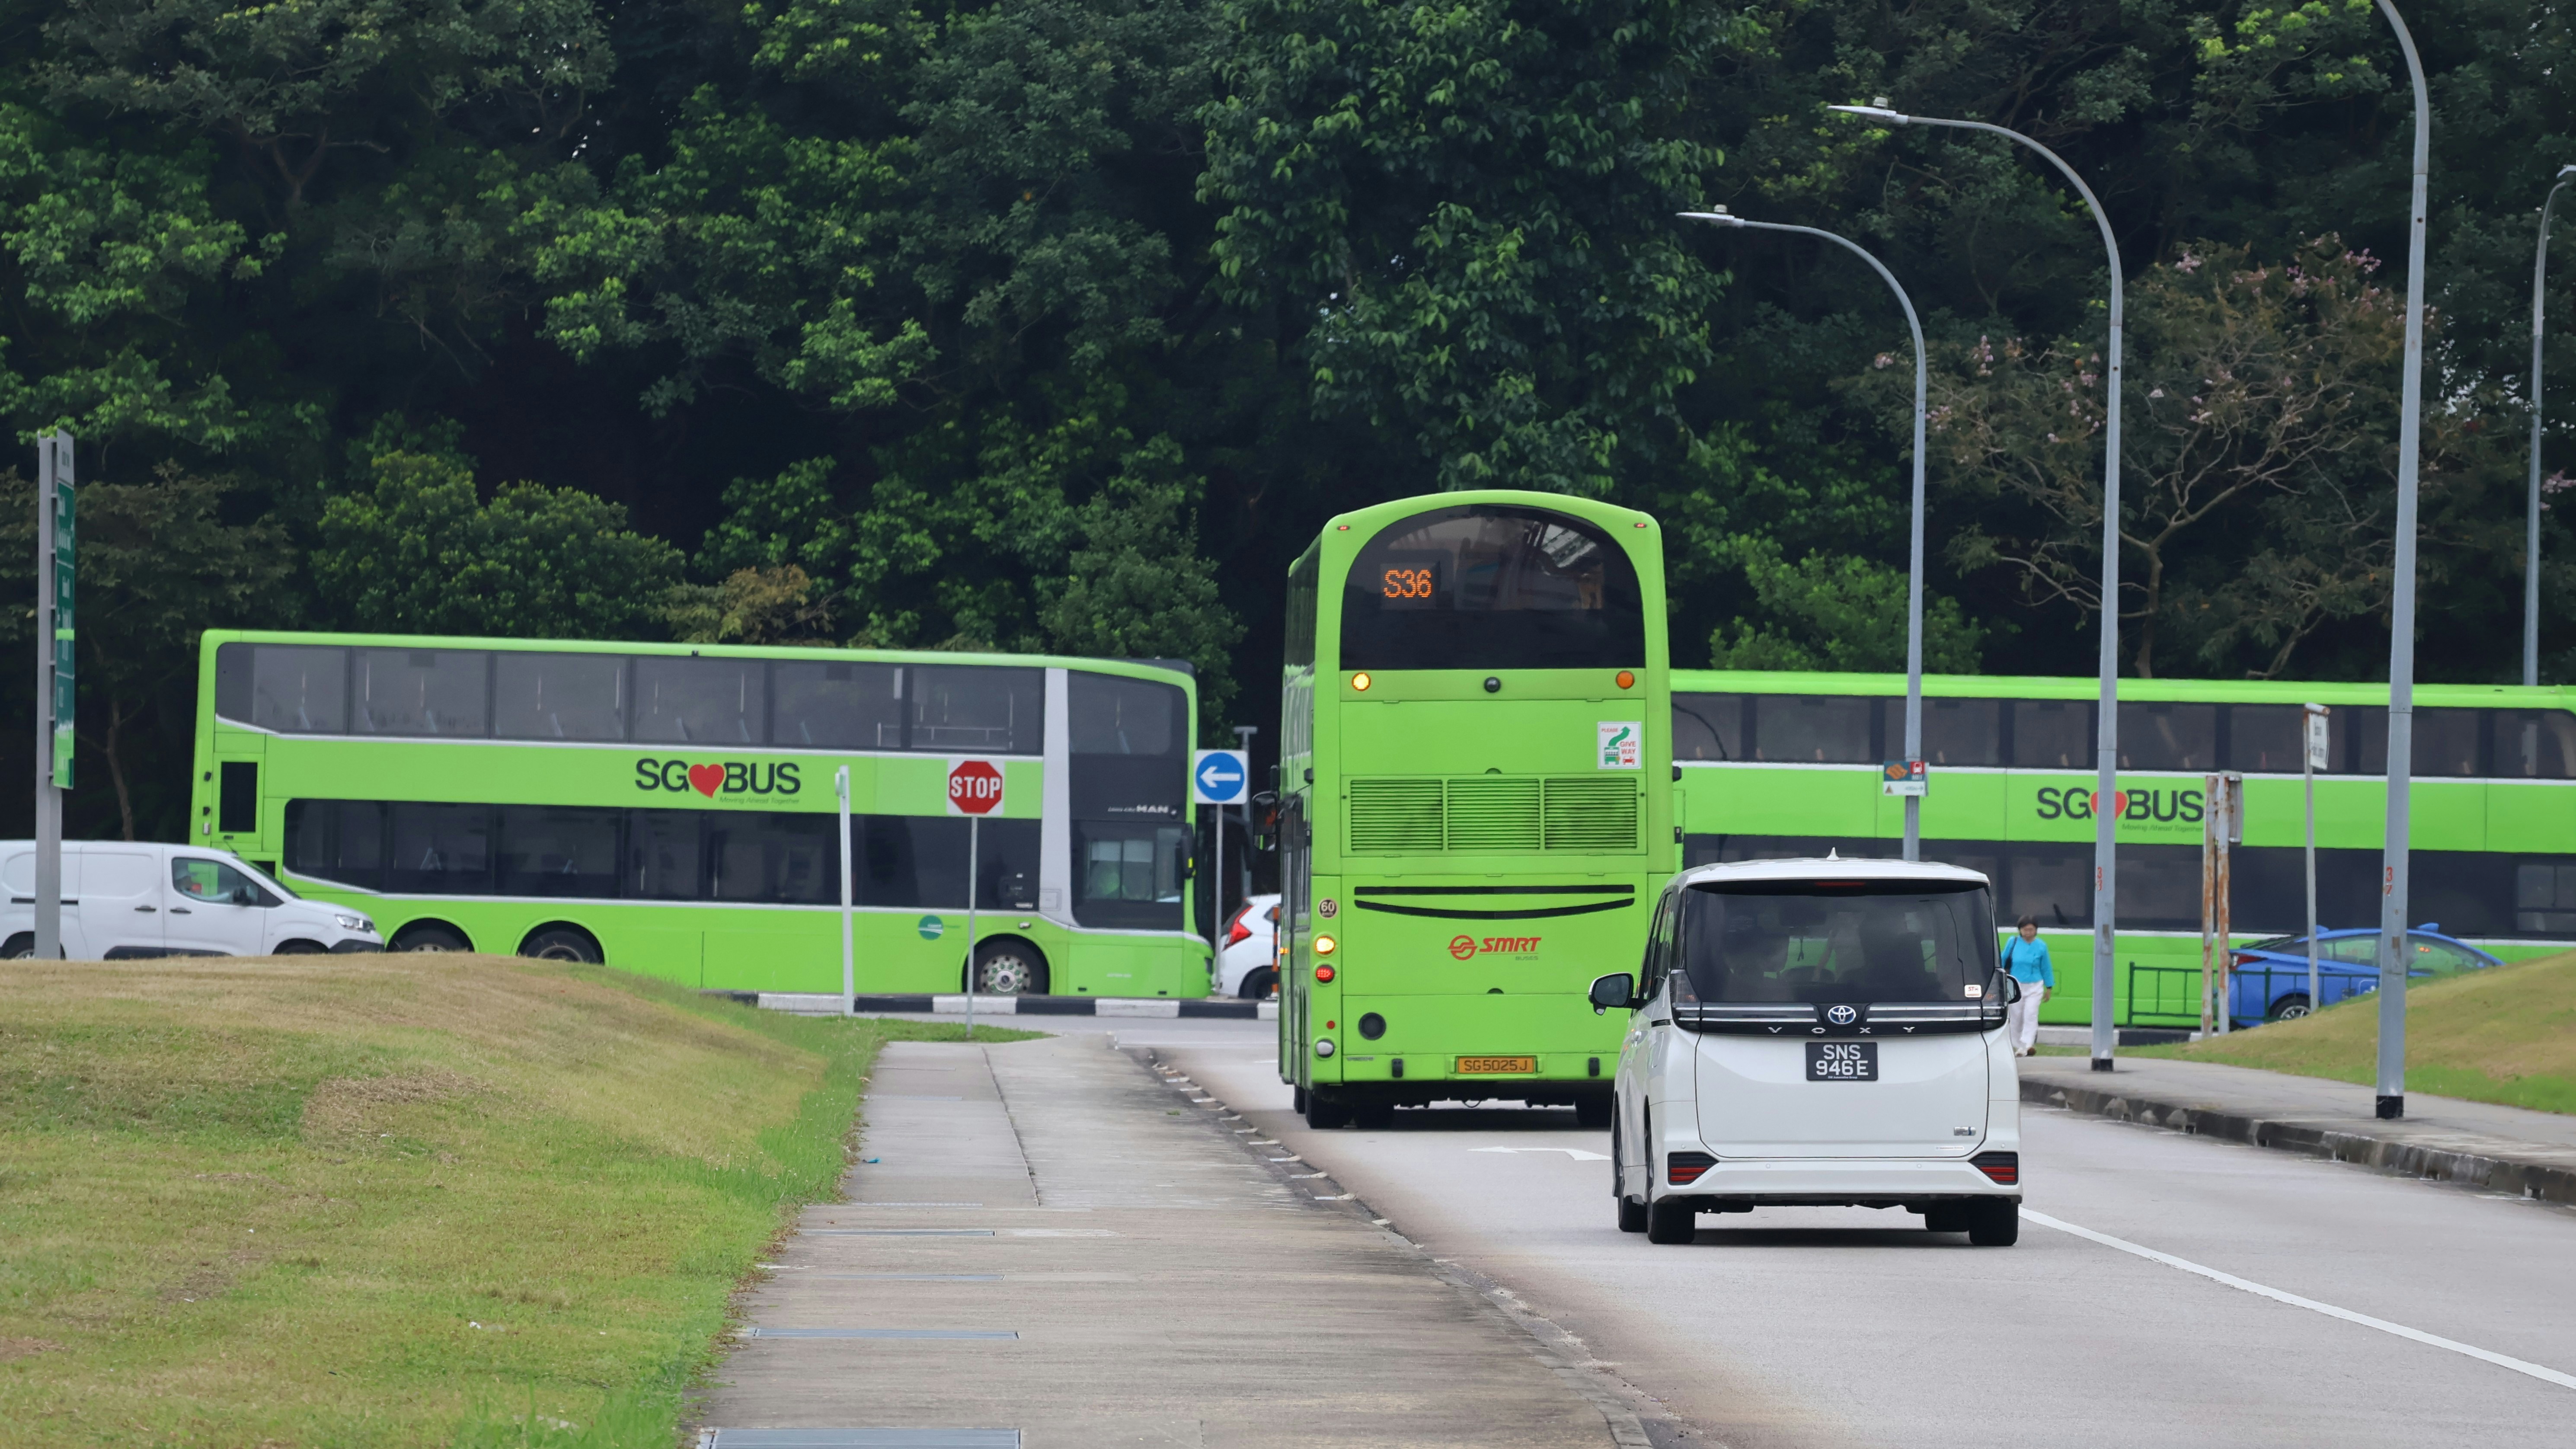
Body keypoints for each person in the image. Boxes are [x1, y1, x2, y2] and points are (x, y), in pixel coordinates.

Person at [2001, 915, 2053, 1056]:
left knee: (2031, 1014)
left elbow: (2046, 967)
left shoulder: (2041, 946)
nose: (2028, 933)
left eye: (2031, 930)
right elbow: (2002, 959)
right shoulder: (2013, 942)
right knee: (2016, 1016)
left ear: (2036, 930)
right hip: (2016, 985)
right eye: (2025, 930)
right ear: (2020, 930)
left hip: (2035, 986)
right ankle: (2019, 1046)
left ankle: (2029, 1044)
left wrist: (2049, 987)